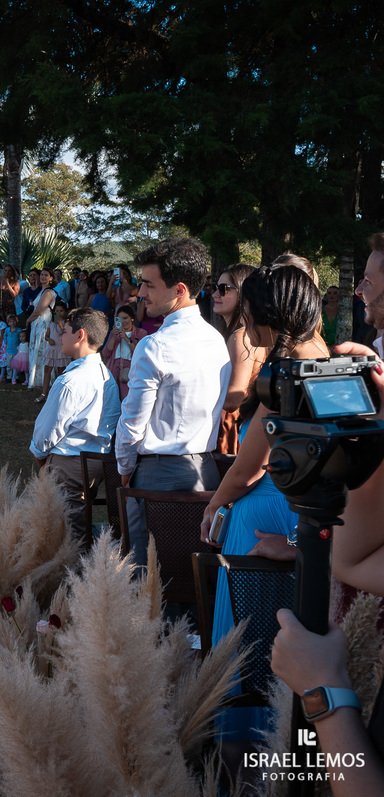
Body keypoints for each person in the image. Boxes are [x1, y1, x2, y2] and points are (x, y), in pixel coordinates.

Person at [195, 264, 328, 741]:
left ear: (268, 312)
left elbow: (251, 465)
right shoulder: (327, 357)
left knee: (247, 648)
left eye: (249, 311)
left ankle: (242, 751)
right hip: (302, 521)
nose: (245, 322)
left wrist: (216, 505)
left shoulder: (284, 370)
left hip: (264, 513)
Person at [115, 237, 231, 567]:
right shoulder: (216, 340)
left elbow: (132, 423)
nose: (140, 293)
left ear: (179, 289)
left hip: (157, 477)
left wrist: (124, 468)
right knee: (193, 581)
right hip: (205, 472)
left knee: (150, 583)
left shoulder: (154, 346)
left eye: (149, 285)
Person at [29, 307, 121, 541]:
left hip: (70, 462)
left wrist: (42, 457)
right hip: (94, 460)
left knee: (66, 532)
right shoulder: (105, 374)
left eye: (66, 331)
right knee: (74, 524)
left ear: (80, 335)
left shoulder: (70, 381)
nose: (61, 336)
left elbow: (46, 432)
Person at [211, 264, 264, 455]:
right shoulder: (247, 334)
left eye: (224, 289)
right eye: (215, 288)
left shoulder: (240, 337)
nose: (215, 294)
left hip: (234, 430)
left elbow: (234, 398)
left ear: (243, 293)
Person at [100, 305, 146, 400]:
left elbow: (141, 353)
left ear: (132, 318)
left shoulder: (141, 333)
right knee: (113, 400)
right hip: (114, 369)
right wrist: (113, 337)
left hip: (131, 370)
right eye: (120, 319)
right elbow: (105, 354)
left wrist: (126, 338)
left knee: (128, 399)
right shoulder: (114, 333)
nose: (123, 321)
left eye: (125, 318)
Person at [25, 269, 58, 391]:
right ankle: (37, 380)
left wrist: (28, 321)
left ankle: (44, 381)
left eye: (46, 275)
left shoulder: (48, 292)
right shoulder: (42, 291)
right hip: (38, 325)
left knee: (42, 349)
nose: (43, 277)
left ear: (51, 278)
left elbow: (39, 311)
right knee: (37, 350)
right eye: (42, 275)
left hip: (43, 325)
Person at [37, 300, 71, 403]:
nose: (59, 313)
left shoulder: (67, 323)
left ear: (65, 312)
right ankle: (44, 393)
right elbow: (46, 336)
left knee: (61, 372)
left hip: (61, 351)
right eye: (57, 310)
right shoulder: (51, 323)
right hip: (52, 350)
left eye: (61, 311)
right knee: (47, 370)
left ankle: (59, 394)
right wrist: (49, 339)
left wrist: (60, 324)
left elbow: (65, 333)